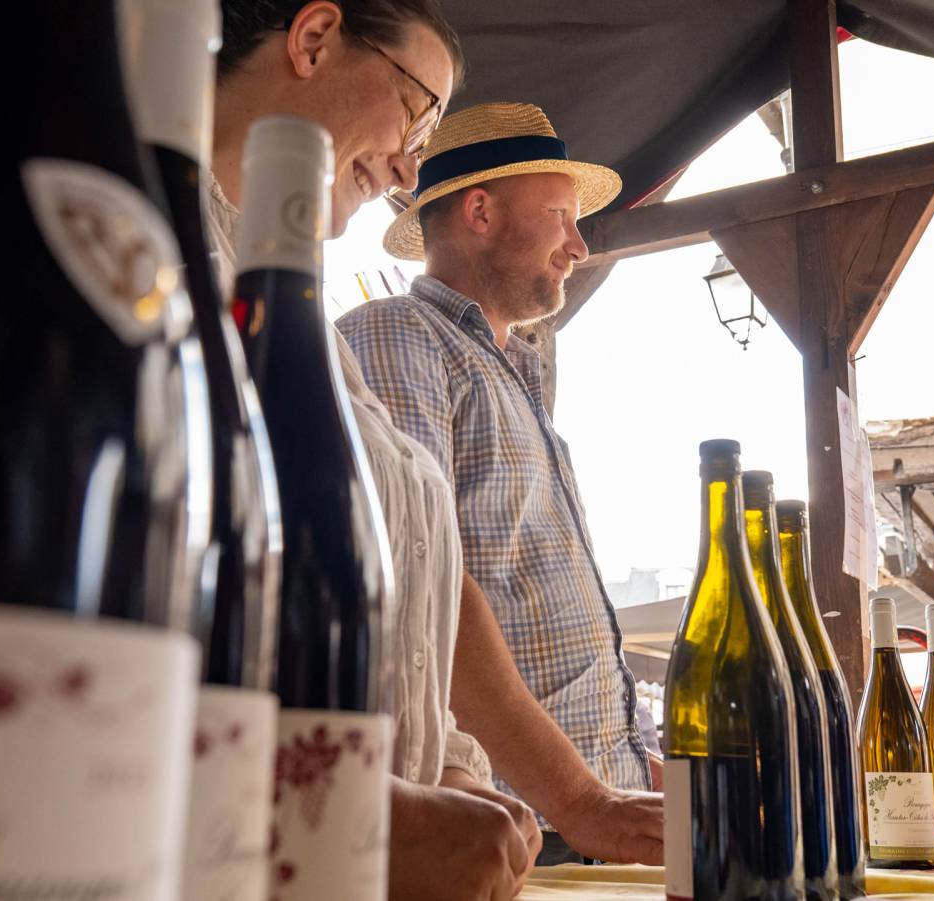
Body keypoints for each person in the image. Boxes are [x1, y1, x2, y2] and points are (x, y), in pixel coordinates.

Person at [210, 4, 541, 897]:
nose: (408, 168)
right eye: (417, 115)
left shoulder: (317, 331)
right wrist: (353, 819)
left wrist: (448, 765)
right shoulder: (151, 259)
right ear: (314, 38)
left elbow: (404, 597)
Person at [338, 102, 664, 866]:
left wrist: (629, 767)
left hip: (581, 818)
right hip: (511, 826)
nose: (579, 246)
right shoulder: (397, 333)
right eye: (561, 217)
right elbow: (419, 584)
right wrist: (585, 799)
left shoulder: (510, 372)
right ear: (479, 212)